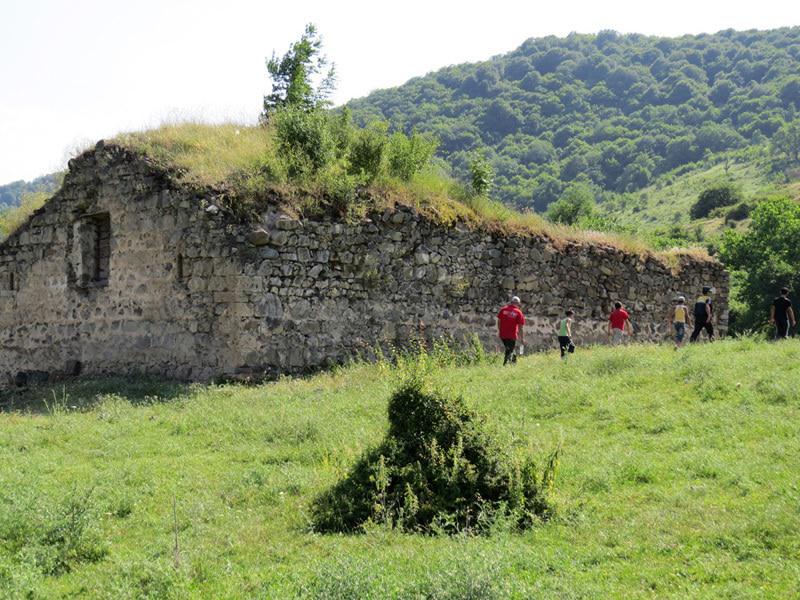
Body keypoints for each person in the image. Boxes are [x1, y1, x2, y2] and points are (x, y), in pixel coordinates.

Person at [497, 296, 525, 365]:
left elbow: (499, 321)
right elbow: (520, 327)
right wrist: (522, 338)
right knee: (509, 350)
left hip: (503, 335)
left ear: (511, 302)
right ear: (518, 304)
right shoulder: (518, 312)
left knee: (509, 348)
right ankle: (505, 364)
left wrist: (500, 330)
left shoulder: (503, 310)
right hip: (512, 335)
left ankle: (514, 363)